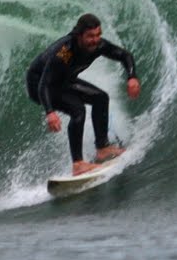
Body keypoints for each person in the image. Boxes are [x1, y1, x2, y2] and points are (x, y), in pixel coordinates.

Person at [26, 13, 141, 176]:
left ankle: (103, 148)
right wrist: (50, 112)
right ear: (79, 35)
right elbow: (45, 84)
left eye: (98, 35)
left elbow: (124, 55)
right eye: (90, 36)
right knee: (77, 110)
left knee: (100, 98)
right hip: (39, 85)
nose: (95, 40)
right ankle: (78, 164)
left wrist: (132, 77)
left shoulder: (98, 45)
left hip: (64, 81)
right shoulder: (65, 52)